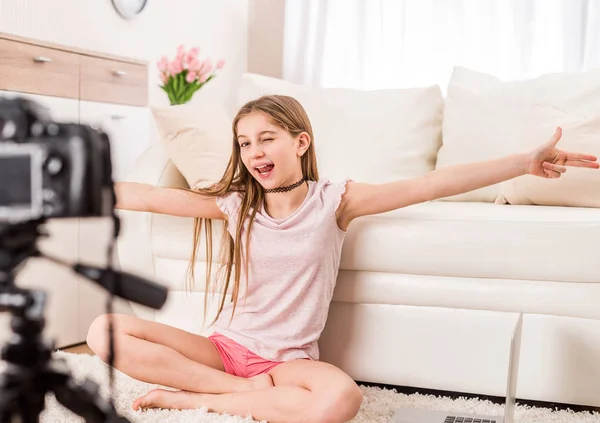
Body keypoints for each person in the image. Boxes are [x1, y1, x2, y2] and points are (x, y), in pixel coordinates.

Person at [86, 95, 598, 423]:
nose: (254, 152)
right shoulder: (236, 205)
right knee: (102, 332)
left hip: (288, 363)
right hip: (225, 350)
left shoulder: (337, 200)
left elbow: (431, 184)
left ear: (300, 141)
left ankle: (202, 400)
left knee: (343, 400)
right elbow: (148, 197)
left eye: (267, 138)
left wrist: (523, 162)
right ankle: (233, 391)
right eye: (244, 144)